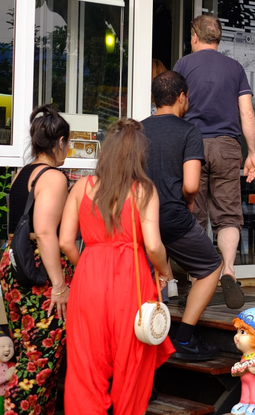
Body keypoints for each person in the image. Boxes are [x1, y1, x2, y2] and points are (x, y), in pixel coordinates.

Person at [59, 119, 174, 414]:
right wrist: (164, 271)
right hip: (131, 281)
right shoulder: (144, 191)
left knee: (86, 368)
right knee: (132, 365)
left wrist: (87, 265)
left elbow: (65, 241)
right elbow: (153, 245)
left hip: (88, 279)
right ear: (139, 155)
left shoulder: (81, 187)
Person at [173, 13, 255, 309]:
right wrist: (253, 153)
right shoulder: (235, 68)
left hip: (191, 145)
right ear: (218, 39)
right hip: (226, 146)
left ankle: (199, 280)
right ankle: (229, 269)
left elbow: (174, 108)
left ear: (195, 37)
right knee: (228, 215)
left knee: (194, 214)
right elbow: (246, 113)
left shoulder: (183, 65)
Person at [142, 70, 224, 360]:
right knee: (211, 266)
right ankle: (185, 339)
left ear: (154, 99)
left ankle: (150, 343)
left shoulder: (137, 130)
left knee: (149, 277)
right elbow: (191, 185)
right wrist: (188, 201)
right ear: (181, 97)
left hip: (137, 220)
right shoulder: (188, 131)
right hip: (171, 216)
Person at [0, 104, 72, 415]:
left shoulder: (22, 174)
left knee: (29, 352)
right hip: (39, 270)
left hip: (13, 261)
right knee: (40, 361)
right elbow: (44, 232)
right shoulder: (53, 177)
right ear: (59, 142)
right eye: (67, 144)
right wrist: (59, 284)